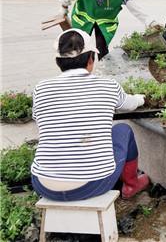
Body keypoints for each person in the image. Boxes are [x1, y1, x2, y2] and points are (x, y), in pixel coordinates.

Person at [31, 29, 150, 201]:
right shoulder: (107, 86)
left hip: (44, 185)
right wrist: (140, 99)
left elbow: (39, 119)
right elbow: (129, 105)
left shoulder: (41, 89)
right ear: (90, 59)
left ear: (58, 61)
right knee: (123, 130)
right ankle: (131, 185)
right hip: (94, 183)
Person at [59, 0, 154, 60]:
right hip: (84, 19)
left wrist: (150, 21)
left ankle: (104, 67)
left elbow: (134, 8)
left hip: (105, 23)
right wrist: (64, 8)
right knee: (79, 45)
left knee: (102, 47)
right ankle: (80, 65)